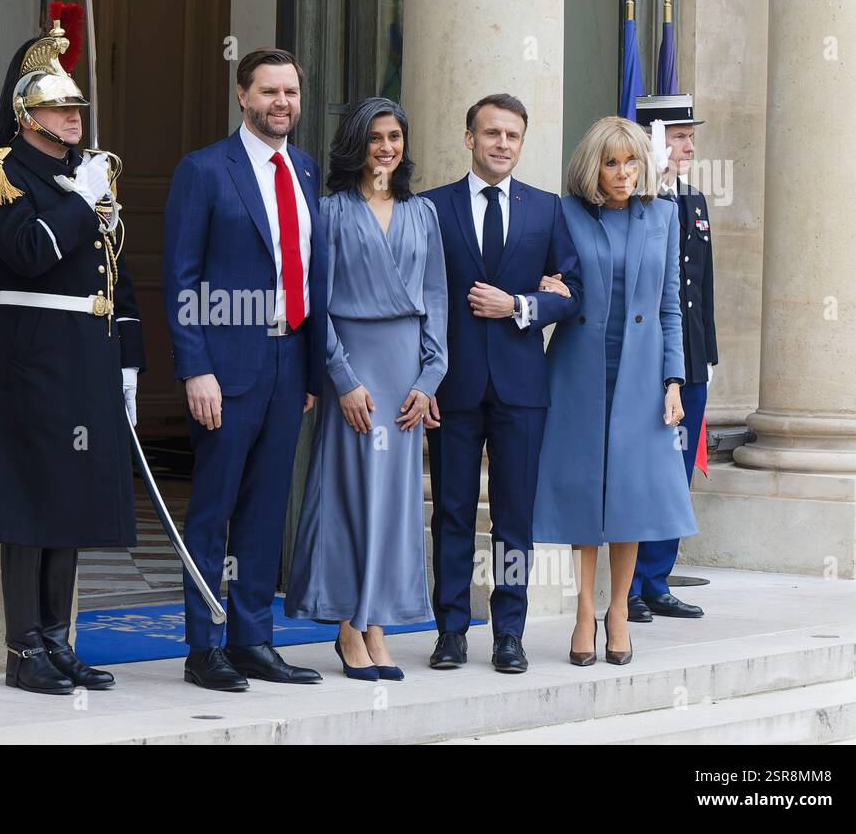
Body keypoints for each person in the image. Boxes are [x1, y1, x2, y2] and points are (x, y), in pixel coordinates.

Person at [0, 5, 143, 695]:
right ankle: (24, 648)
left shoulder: (86, 175)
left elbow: (116, 271)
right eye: (59, 108)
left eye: (76, 107)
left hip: (84, 349)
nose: (73, 118)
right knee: (28, 503)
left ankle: (58, 640)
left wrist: (128, 355)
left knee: (71, 500)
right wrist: (79, 202)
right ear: (26, 113)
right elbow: (29, 254)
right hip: (30, 351)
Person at [163, 48, 328, 691]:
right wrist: (194, 368)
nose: (281, 103)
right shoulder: (204, 170)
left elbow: (309, 275)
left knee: (265, 507)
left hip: (289, 363)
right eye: (268, 92)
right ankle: (204, 646)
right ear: (242, 95)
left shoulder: (307, 171)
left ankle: (253, 637)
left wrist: (311, 373)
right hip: (225, 368)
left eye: (290, 91)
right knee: (213, 508)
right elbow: (180, 279)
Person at [285, 97, 447, 681]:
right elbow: (313, 303)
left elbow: (437, 301)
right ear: (357, 144)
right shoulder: (328, 212)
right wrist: (341, 378)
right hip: (352, 370)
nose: (387, 147)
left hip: (406, 373)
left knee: (396, 500)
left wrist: (430, 380)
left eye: (396, 137)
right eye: (376, 137)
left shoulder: (422, 214)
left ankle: (376, 620)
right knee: (349, 491)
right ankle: (348, 624)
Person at [422, 93, 582, 674]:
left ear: (522, 141)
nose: (501, 144)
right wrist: (423, 381)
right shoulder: (432, 208)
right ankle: (450, 630)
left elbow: (573, 294)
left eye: (512, 136)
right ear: (470, 139)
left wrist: (518, 303)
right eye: (491, 134)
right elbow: (416, 299)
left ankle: (508, 633)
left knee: (514, 518)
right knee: (453, 513)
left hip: (520, 390)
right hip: (452, 387)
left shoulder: (546, 210)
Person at [532, 116, 698, 666]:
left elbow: (670, 305)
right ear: (592, 167)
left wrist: (673, 380)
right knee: (585, 489)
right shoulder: (566, 212)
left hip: (644, 372)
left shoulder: (664, 216)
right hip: (579, 367)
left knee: (632, 497)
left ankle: (619, 610)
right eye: (610, 163)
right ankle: (584, 611)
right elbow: (552, 278)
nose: (622, 174)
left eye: (630, 162)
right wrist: (546, 286)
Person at [629, 94, 714, 623]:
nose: (688, 145)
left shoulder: (695, 200)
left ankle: (657, 578)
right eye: (678, 136)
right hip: (649, 360)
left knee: (675, 475)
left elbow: (700, 290)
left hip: (691, 357)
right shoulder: (632, 203)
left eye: (689, 136)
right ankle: (630, 584)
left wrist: (708, 358)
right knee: (644, 472)